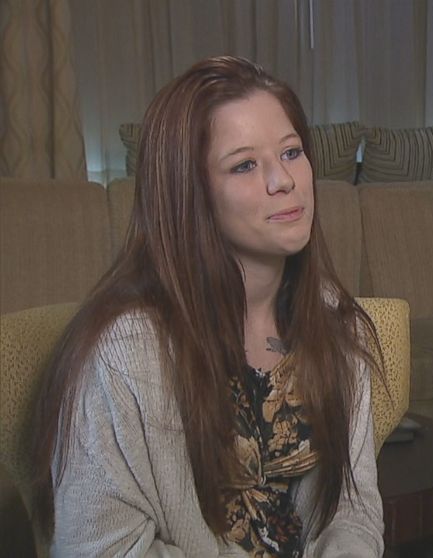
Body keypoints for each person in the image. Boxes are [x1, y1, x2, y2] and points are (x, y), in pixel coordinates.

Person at [32, 56, 384, 556]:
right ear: (189, 193)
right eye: (244, 164)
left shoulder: (337, 323)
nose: (282, 180)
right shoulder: (126, 352)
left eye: (291, 152)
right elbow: (98, 549)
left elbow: (354, 507)